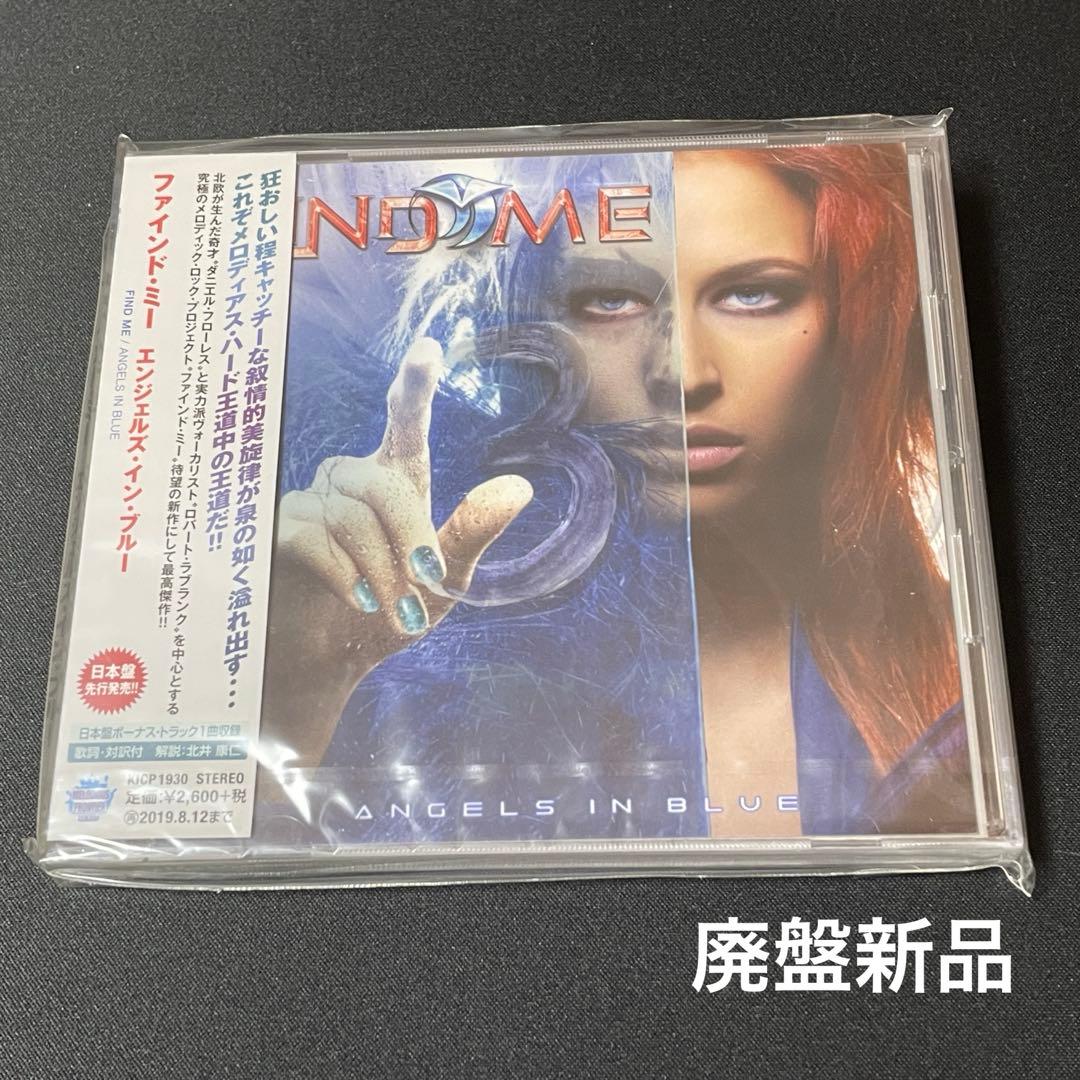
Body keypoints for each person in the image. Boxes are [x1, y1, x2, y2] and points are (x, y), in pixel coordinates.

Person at [259, 144, 976, 838]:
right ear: (534, 337)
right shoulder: (436, 680)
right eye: (610, 301)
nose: (682, 374)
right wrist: (302, 693)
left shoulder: (968, 685)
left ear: (859, 325)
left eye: (753, 294)